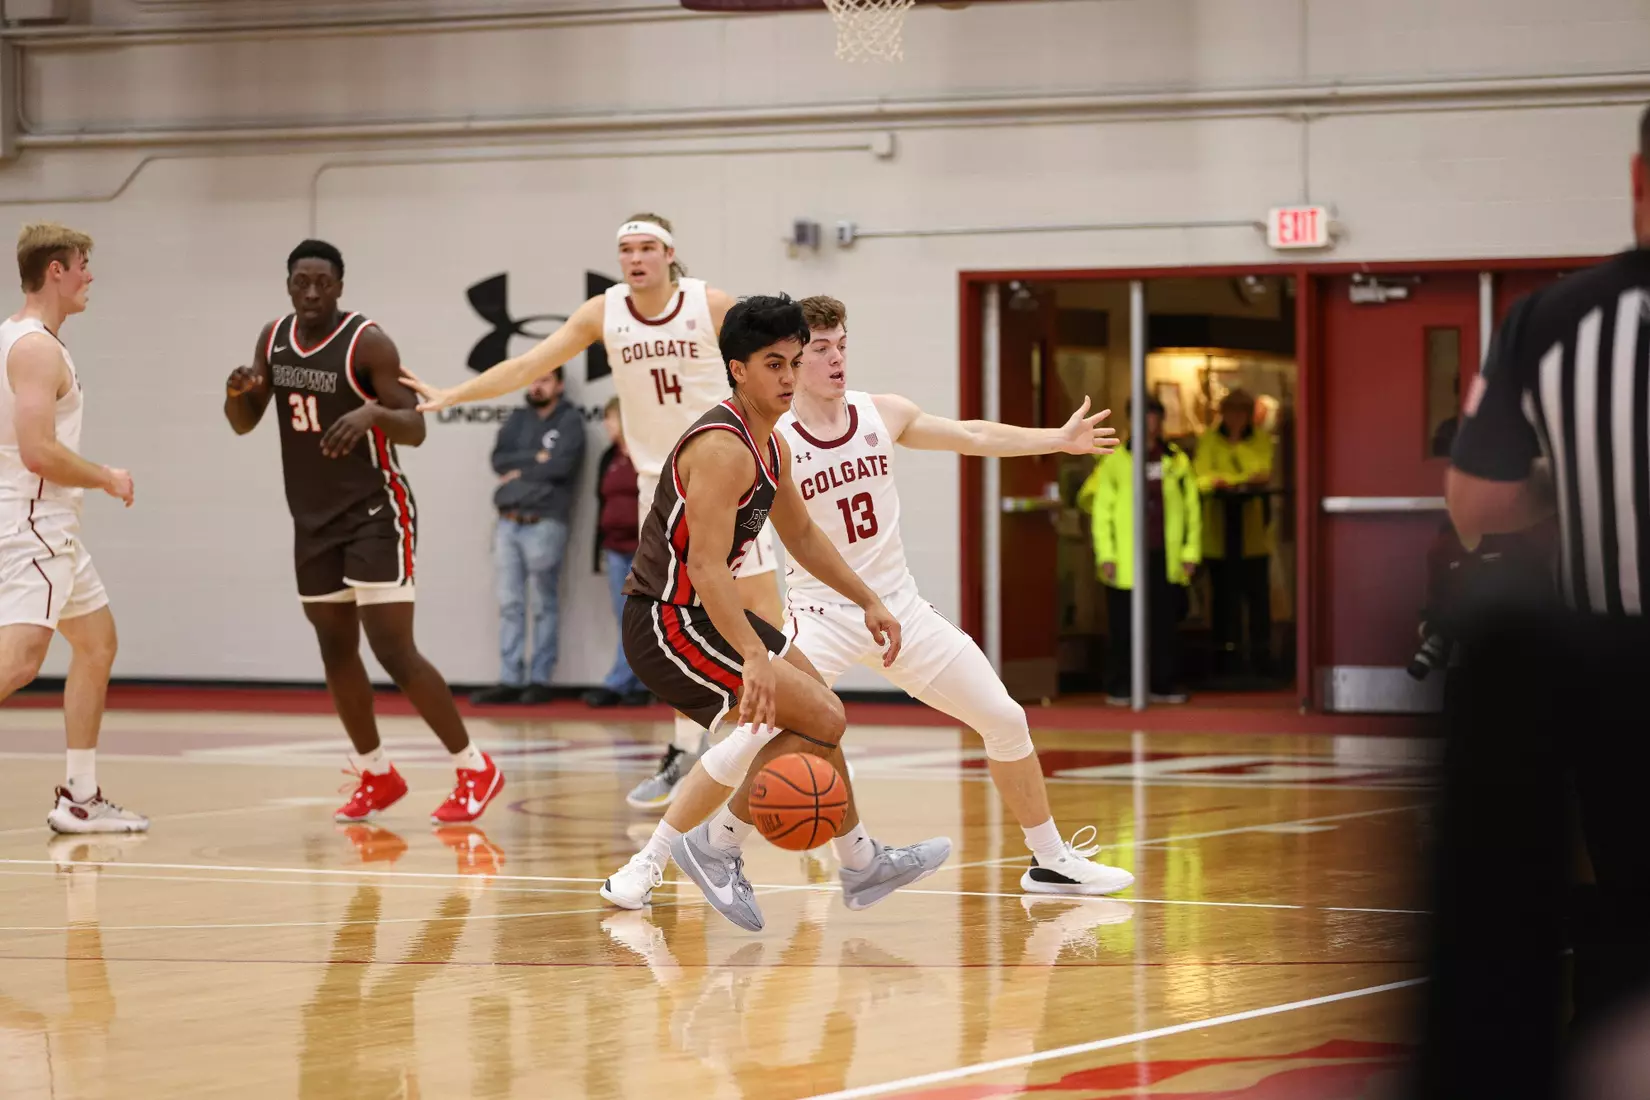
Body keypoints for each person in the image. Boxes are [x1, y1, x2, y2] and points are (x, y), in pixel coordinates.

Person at [645, 293, 1133, 898]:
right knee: (753, 734)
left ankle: (1052, 861)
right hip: (820, 615)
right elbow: (777, 537)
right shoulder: (774, 436)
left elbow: (969, 434)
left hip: (897, 608)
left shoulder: (882, 413)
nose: (834, 360)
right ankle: (656, 861)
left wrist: (1055, 440)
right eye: (818, 350)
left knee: (1005, 718)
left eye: (841, 346)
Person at [1417, 103, 1650, 1100]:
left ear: (1639, 182)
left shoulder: (1556, 323)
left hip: (1617, 677)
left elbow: (1476, 505)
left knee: (1625, 910)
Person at [400, 213, 781, 809]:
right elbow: (529, 366)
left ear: (670, 253)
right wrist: (453, 394)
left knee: (763, 609)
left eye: (647, 247)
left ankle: (794, 741)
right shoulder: (604, 312)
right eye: (626, 248)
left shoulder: (710, 305)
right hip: (661, 485)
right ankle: (687, 750)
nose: (636, 258)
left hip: (726, 471)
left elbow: (765, 372)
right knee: (680, 618)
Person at [595, 294, 948, 932]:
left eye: (793, 362)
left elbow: (806, 537)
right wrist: (755, 656)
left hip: (709, 613)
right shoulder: (723, 446)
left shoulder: (770, 443)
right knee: (824, 714)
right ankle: (718, 846)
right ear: (738, 369)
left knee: (817, 712)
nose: (788, 378)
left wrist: (869, 598)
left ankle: (858, 860)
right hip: (666, 621)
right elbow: (703, 566)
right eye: (772, 365)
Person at [223, 239, 503, 826]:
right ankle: (376, 773)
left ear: (340, 286)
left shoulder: (367, 342)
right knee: (334, 648)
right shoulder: (273, 339)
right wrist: (236, 396)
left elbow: (415, 428)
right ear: (289, 284)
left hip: (377, 511)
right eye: (302, 281)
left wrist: (372, 412)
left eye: (323, 282)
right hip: (311, 519)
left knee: (393, 648)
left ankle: (475, 766)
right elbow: (245, 424)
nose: (312, 292)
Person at [0, 223, 144, 834]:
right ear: (55, 270)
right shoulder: (35, 348)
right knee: (22, 660)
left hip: (47, 522)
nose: (90, 275)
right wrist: (104, 476)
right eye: (83, 264)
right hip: (35, 521)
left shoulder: (23, 340)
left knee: (97, 642)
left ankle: (80, 798)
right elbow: (38, 451)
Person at [470, 367, 585, 706]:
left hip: (545, 521)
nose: (537, 386)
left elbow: (562, 467)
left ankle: (539, 679)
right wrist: (535, 461)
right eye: (534, 380)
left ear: (560, 385)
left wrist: (522, 470)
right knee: (510, 603)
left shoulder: (569, 421)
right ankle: (510, 678)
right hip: (508, 523)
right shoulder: (518, 419)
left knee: (543, 604)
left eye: (545, 379)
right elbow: (498, 459)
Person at [1079, 395, 1200, 705]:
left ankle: (1163, 683)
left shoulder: (1176, 460)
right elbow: (1102, 512)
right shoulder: (1115, 461)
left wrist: (1190, 553)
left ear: (1160, 421)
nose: (1148, 422)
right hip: (1127, 557)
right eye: (1142, 416)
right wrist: (1105, 555)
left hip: (1165, 553)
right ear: (1131, 420)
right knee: (1124, 623)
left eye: (1154, 416)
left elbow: (1191, 510)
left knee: (1165, 622)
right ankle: (1122, 684)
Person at [1192, 389, 1275, 678]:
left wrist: (1235, 447)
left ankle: (1261, 659)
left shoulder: (1261, 440)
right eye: (1231, 411)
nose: (1236, 417)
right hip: (1219, 536)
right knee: (1223, 600)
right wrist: (1231, 479)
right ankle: (1225, 661)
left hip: (1253, 537)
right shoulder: (1209, 441)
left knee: (1257, 599)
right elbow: (1201, 476)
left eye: (1242, 411)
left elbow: (1262, 472)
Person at [585, 396, 650, 707]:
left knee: (638, 618)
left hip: (642, 550)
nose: (606, 425)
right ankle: (633, 681)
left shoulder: (646, 455)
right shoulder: (608, 457)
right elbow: (603, 501)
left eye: (610, 419)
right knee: (623, 617)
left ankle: (623, 683)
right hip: (614, 547)